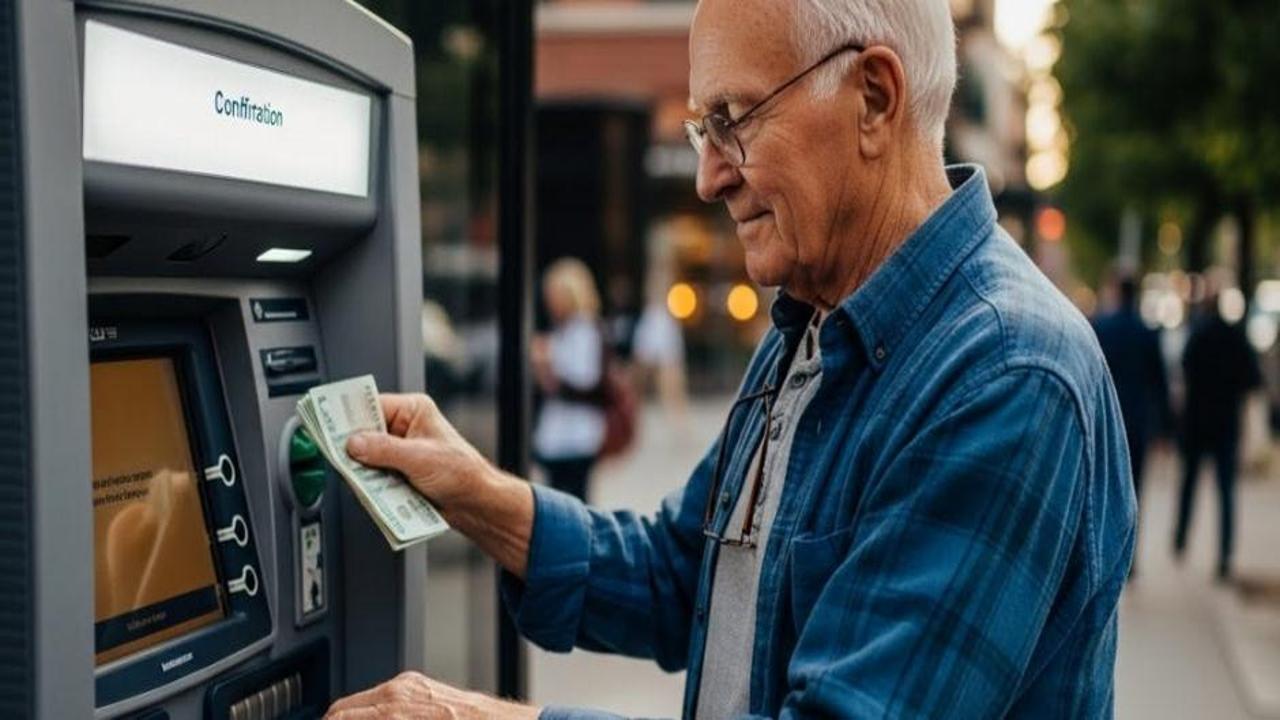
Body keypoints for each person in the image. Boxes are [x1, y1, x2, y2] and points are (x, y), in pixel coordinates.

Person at [326, 1, 1135, 717]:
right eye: (701, 128)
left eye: (733, 118)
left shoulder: (1005, 377)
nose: (710, 176)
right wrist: (477, 494)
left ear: (874, 99)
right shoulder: (812, 322)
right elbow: (683, 575)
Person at [1173, 292, 1262, 581]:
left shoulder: (1198, 336)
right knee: (1225, 491)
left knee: (1189, 483)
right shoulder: (1235, 337)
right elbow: (1252, 379)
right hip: (1226, 424)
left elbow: (1184, 369)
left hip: (1198, 421)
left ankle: (1180, 537)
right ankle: (1224, 554)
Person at [1092, 273, 1171, 577]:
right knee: (1134, 491)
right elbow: (1159, 381)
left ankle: (1102, 555)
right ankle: (1130, 559)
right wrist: (1164, 429)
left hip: (1105, 420)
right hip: (1137, 423)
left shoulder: (1102, 327)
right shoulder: (1146, 333)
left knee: (1101, 490)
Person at [531, 257, 607, 503]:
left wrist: (548, 366)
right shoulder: (562, 329)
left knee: (573, 502)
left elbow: (585, 381)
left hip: (576, 436)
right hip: (560, 435)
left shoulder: (583, 329)